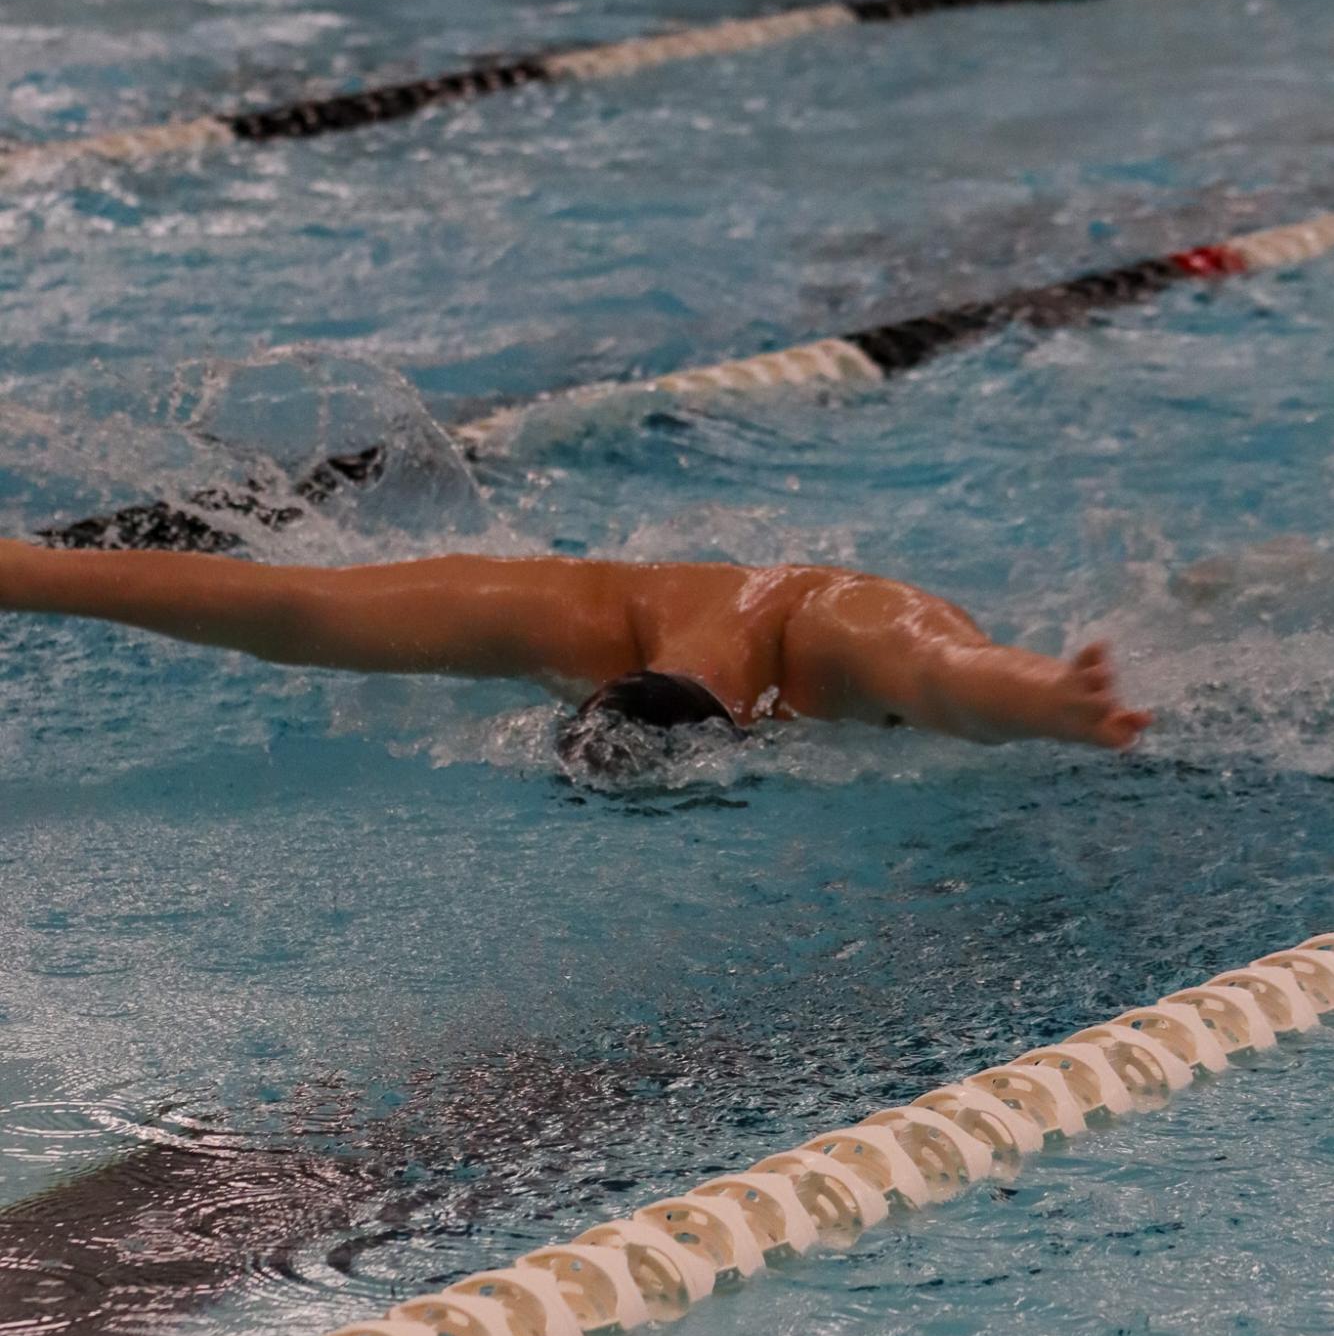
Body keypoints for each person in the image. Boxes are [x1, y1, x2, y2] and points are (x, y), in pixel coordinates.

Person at [0, 539, 1151, 768]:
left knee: (938, 666)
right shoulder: (576, 621)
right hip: (651, 599)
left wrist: (1043, 693)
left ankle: (1063, 685)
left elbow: (942, 675)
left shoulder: (832, 639)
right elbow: (286, 609)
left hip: (865, 617)